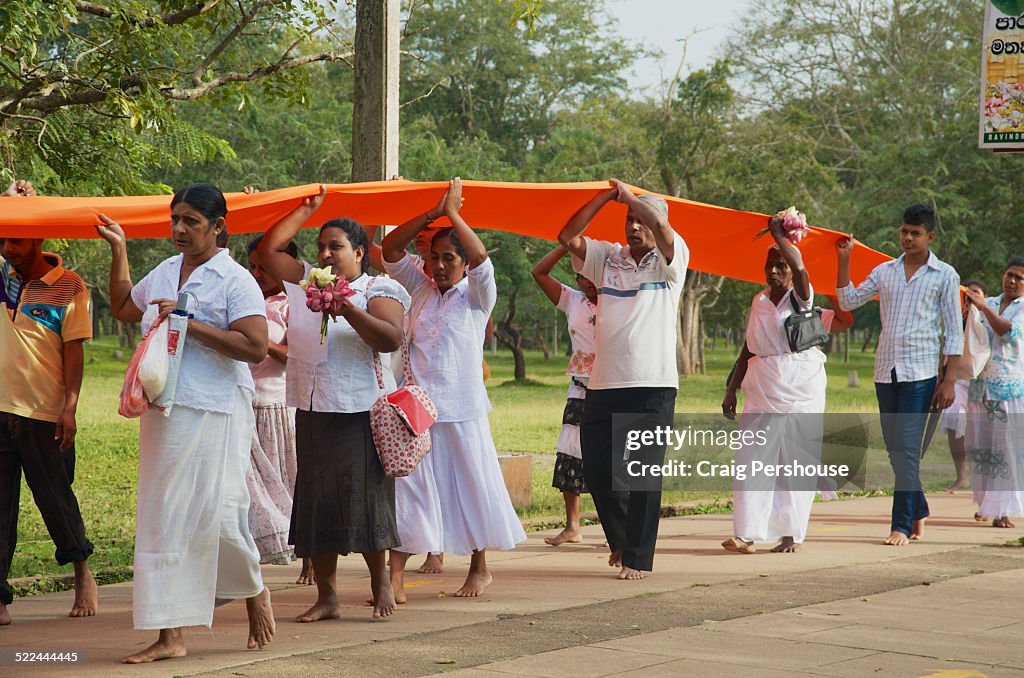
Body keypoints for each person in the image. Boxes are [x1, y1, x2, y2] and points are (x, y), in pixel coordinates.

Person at [96, 183, 275, 662]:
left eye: (191, 221)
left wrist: (189, 323)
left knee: (220, 514)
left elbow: (256, 347)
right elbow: (123, 307)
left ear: (218, 227)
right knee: (163, 515)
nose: (179, 229)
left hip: (215, 407)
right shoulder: (167, 269)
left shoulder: (235, 279)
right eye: (176, 219)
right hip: (164, 408)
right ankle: (170, 635)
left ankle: (254, 589)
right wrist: (119, 250)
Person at [257, 185, 410, 621]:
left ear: (360, 252)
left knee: (365, 500)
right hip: (311, 410)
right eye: (321, 246)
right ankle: (327, 597)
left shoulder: (378, 288)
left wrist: (347, 309)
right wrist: (303, 210)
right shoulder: (306, 282)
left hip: (358, 412)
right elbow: (269, 249)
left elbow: (390, 337)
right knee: (316, 502)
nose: (325, 254)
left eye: (336, 246)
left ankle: (381, 582)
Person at [382, 177, 526, 599]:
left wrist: (454, 215)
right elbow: (391, 249)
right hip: (416, 412)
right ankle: (394, 578)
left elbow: (481, 257)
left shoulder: (477, 296)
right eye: (433, 257)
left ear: (463, 264)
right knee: (409, 487)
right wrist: (432, 214)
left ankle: (480, 569)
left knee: (472, 485)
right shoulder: (419, 287)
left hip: (463, 409)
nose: (439, 266)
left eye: (449, 258)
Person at [558, 179, 689, 581]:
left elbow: (664, 232)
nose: (634, 226)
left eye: (641, 220)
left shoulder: (672, 259)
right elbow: (567, 236)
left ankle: (636, 557)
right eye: (629, 220)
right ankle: (619, 540)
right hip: (603, 384)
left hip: (653, 383)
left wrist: (632, 197)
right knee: (596, 468)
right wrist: (607, 197)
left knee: (643, 474)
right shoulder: (606, 258)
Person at [720, 216, 853, 554]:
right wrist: (731, 387)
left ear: (793, 271)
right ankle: (747, 534)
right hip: (761, 387)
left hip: (798, 390)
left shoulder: (801, 299)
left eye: (781, 265)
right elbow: (748, 347)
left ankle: (791, 534)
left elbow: (802, 269)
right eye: (770, 265)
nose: (775, 271)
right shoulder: (758, 301)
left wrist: (780, 235)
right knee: (751, 460)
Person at [0, 179, 98, 627]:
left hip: (43, 412)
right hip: (0, 410)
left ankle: (82, 572)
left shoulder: (69, 286)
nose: (8, 248)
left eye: (16, 239)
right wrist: (14, 197)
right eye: (2, 239)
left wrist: (70, 406)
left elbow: (73, 351)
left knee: (55, 496)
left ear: (39, 237)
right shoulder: (1, 278)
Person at [835, 204, 963, 546]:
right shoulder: (884, 271)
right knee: (895, 450)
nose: (907, 238)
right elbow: (847, 301)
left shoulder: (946, 275)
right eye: (904, 231)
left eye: (915, 233)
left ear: (930, 236)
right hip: (885, 370)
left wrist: (948, 379)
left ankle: (901, 525)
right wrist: (844, 259)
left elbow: (954, 332)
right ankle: (918, 506)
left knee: (906, 449)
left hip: (920, 374)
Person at [245, 236, 306, 572]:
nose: (257, 274)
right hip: (244, 404)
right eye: (252, 266)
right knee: (253, 488)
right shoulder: (243, 298)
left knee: (289, 483)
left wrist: (259, 342)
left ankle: (308, 555)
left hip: (276, 407)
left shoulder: (292, 304)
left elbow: (294, 355)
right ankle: (256, 553)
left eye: (265, 267)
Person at [531, 245, 597, 547]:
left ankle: (618, 529)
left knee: (612, 459)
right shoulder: (573, 300)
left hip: (613, 388)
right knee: (571, 452)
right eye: (579, 275)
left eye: (590, 273)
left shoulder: (622, 300)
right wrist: (565, 245)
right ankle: (572, 526)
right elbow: (539, 272)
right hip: (580, 388)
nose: (585, 281)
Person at [964, 259, 1024, 528]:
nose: (1012, 281)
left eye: (1019, 278)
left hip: (1007, 389)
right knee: (982, 450)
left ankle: (1002, 511)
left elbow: (1006, 332)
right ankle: (986, 504)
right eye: (1009, 275)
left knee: (1005, 450)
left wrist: (982, 307)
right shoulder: (989, 301)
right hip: (981, 388)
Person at [942, 279, 987, 494]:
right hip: (959, 379)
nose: (971, 300)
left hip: (986, 382)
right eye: (967, 296)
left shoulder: (991, 316)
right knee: (953, 418)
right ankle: (961, 477)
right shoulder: (955, 319)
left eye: (976, 295)